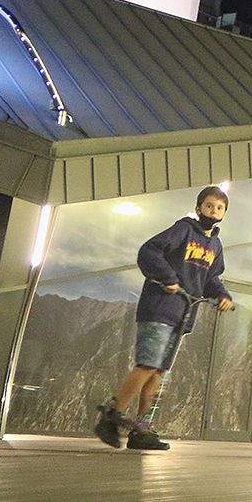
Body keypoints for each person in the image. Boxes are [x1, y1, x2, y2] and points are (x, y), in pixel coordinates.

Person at [93, 186, 234, 450]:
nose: (213, 211)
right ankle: (111, 415)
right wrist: (167, 277)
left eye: (219, 208)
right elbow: (149, 251)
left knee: (158, 372)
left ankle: (141, 430)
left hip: (183, 316)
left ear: (224, 213)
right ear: (198, 208)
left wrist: (222, 295)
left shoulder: (215, 246)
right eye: (209, 205)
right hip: (159, 308)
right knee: (147, 364)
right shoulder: (183, 230)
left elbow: (212, 278)